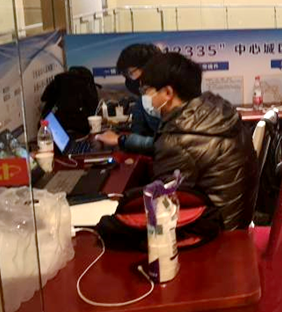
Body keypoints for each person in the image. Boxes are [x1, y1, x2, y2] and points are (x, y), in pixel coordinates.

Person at [140, 52, 258, 230]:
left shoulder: (178, 139)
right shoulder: (214, 113)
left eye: (146, 91)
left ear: (168, 93)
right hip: (235, 221)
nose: (144, 97)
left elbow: (163, 206)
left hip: (216, 234)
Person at [96, 43, 162, 154]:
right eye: (125, 74)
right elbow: (138, 130)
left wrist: (120, 140)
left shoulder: (173, 98)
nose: (129, 79)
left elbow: (170, 144)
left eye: (130, 73)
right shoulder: (143, 99)